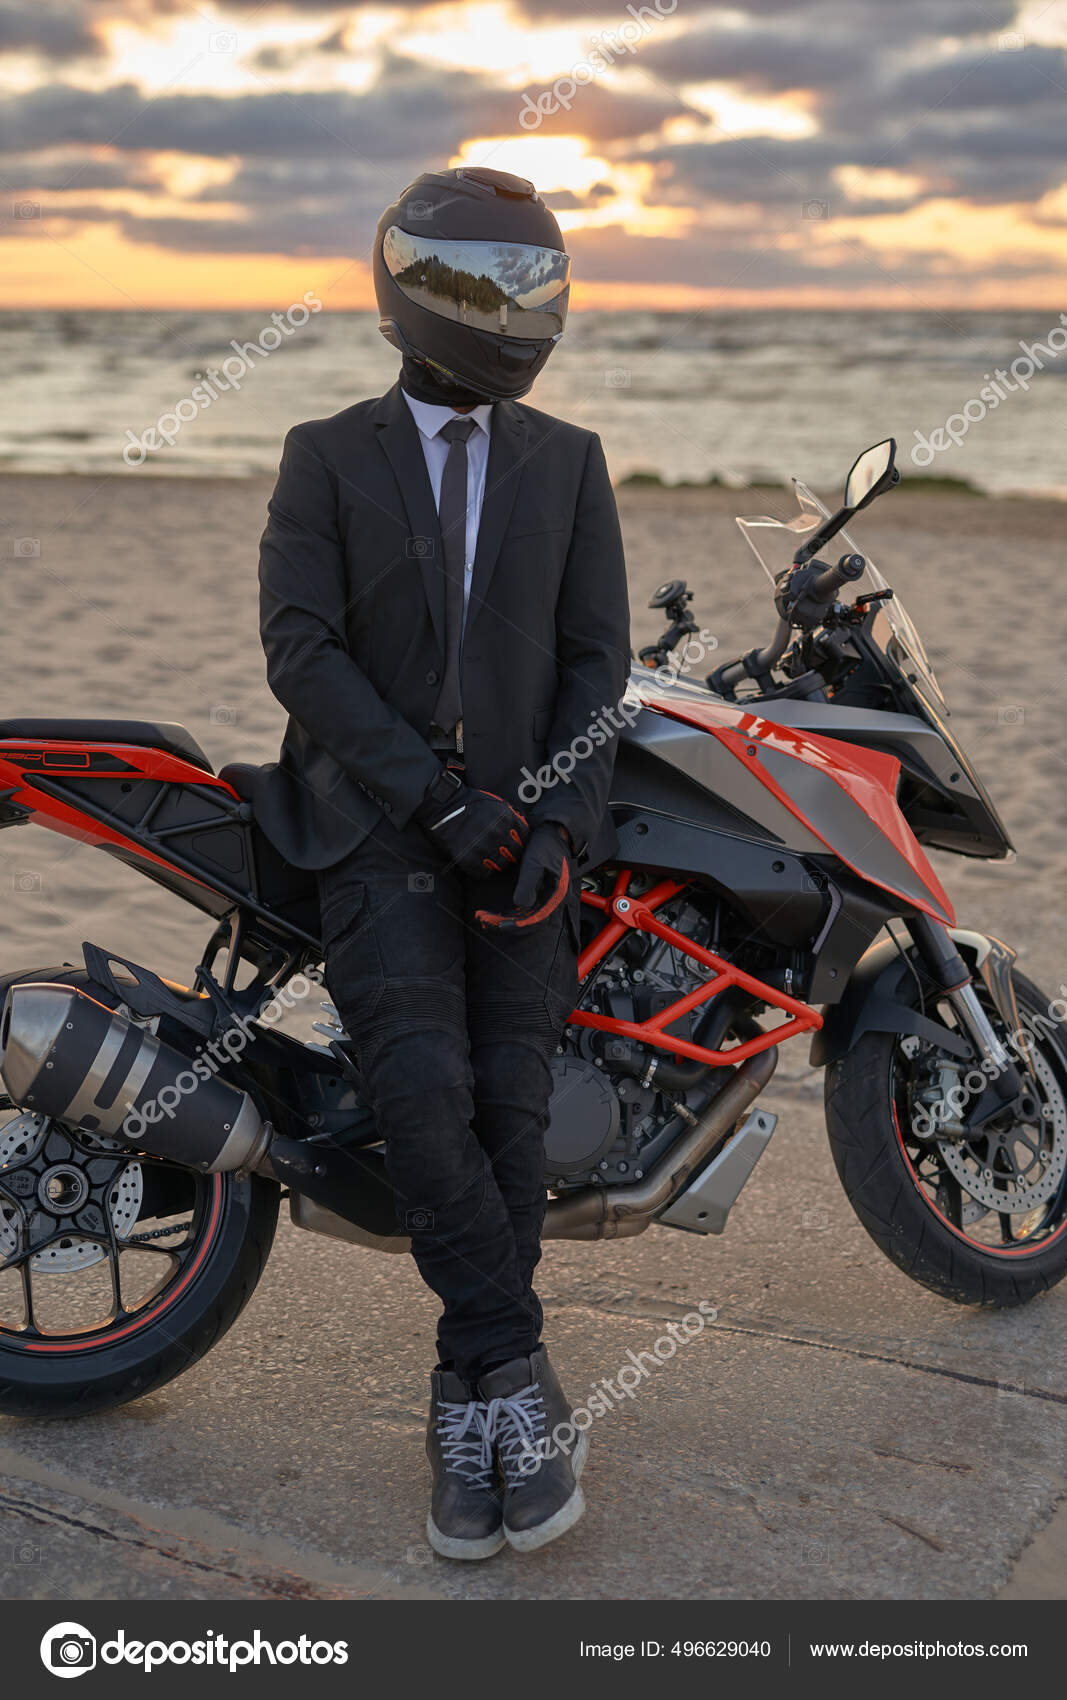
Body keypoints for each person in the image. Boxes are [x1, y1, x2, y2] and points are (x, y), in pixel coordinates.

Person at [256, 164, 630, 1558]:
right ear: (416, 291)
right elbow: (303, 652)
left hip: (531, 839)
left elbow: (604, 663)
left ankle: (465, 1387)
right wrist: (442, 806)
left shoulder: (572, 459)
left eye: (535, 288)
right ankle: (509, 1375)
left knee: (513, 1110)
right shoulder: (325, 451)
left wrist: (555, 827)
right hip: (376, 829)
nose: (519, 315)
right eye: (493, 289)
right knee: (423, 1086)